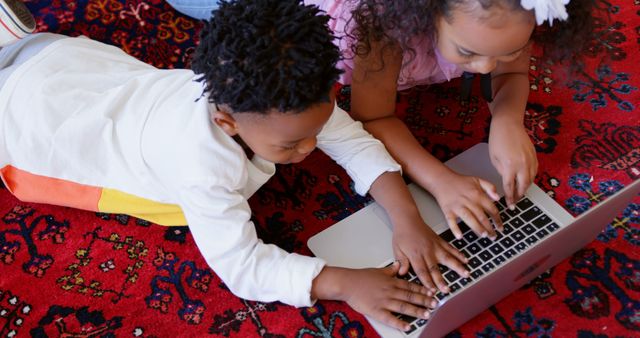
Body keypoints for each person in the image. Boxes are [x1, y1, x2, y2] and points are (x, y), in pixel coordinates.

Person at [0, 0, 470, 331]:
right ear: (226, 122)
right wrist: (344, 283)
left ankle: (17, 45)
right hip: (25, 123)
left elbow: (349, 138)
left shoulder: (286, 98)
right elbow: (242, 266)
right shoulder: (202, 168)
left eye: (317, 127)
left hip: (67, 64)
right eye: (291, 145)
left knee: (46, 59)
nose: (309, 148)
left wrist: (407, 218)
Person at [162, 0, 597, 240]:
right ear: (429, 11)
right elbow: (375, 116)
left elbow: (512, 73)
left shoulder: (508, 17)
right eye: (468, 53)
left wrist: (507, 120)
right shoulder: (382, 28)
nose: (485, 68)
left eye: (503, 52)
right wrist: (440, 180)